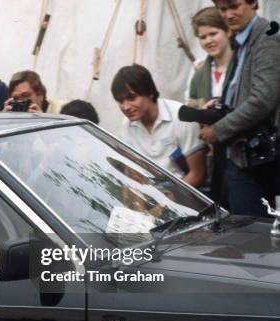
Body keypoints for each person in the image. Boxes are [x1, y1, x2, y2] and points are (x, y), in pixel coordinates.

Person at [199, 0, 280, 216]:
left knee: (250, 232)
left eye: (234, 6)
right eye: (223, 9)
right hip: (242, 152)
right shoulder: (242, 40)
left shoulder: (267, 37)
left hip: (259, 154)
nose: (229, 14)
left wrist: (218, 129)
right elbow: (242, 95)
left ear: (253, 3)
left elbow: (263, 99)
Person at [111, 64, 207, 187]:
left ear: (149, 92)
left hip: (182, 194)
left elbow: (198, 174)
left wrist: (167, 203)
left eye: (132, 98)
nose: (126, 107)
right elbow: (132, 173)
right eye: (120, 101)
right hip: (148, 194)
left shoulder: (181, 117)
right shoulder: (127, 125)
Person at [188, 6, 234, 206]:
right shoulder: (199, 74)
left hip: (243, 149)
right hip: (215, 155)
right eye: (203, 37)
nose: (208, 41)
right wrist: (202, 112)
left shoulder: (242, 65)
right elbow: (191, 110)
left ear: (228, 31)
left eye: (213, 33)